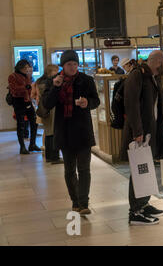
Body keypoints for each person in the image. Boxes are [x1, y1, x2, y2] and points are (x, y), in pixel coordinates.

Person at [42, 50, 100, 215]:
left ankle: (83, 203)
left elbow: (96, 100)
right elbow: (47, 103)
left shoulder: (86, 81)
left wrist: (87, 102)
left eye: (75, 64)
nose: (73, 67)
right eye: (69, 64)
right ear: (63, 65)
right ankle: (75, 201)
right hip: (64, 131)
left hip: (82, 131)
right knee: (69, 170)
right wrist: (55, 87)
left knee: (84, 169)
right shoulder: (54, 81)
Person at [123, 50, 163, 226]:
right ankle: (135, 212)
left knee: (146, 169)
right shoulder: (138, 75)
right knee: (139, 170)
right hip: (140, 133)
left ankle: (143, 204)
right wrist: (137, 131)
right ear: (158, 61)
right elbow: (131, 104)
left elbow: (159, 97)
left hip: (150, 131)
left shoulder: (152, 76)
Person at [8, 59, 41, 154]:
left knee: (34, 122)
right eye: (25, 67)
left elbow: (30, 89)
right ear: (20, 67)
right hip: (18, 101)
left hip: (27, 101)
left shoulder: (27, 76)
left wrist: (30, 91)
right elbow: (14, 90)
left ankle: (32, 144)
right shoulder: (12, 76)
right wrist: (25, 88)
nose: (27, 69)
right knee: (21, 124)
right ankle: (22, 147)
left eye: (28, 67)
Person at [35, 64, 62, 164]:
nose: (58, 73)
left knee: (48, 133)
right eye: (56, 71)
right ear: (50, 72)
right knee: (52, 133)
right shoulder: (47, 82)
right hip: (50, 110)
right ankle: (54, 157)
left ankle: (49, 156)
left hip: (46, 110)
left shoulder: (40, 81)